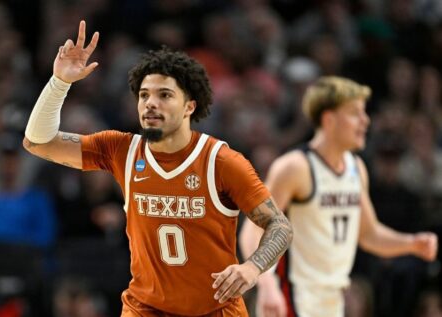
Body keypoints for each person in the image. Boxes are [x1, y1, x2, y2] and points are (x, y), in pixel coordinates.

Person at [22, 20, 293, 316]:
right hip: (146, 309)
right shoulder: (121, 150)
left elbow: (279, 226)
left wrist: (252, 268)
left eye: (164, 95)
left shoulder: (221, 161)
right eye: (144, 95)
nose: (150, 103)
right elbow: (37, 142)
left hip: (214, 310)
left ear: (189, 106)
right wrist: (59, 83)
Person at [239, 76, 438, 317]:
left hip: (332, 301)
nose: (365, 121)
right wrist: (267, 287)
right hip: (292, 299)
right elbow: (253, 231)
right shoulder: (295, 167)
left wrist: (411, 244)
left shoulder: (356, 168)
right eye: (355, 113)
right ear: (329, 119)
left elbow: (368, 234)